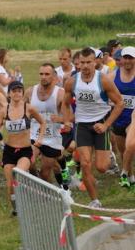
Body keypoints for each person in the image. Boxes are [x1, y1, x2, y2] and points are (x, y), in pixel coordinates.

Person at [61, 47, 124, 208]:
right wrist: (68, 121)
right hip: (82, 125)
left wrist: (106, 125)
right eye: (82, 62)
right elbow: (65, 104)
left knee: (102, 167)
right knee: (85, 162)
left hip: (100, 123)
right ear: (78, 64)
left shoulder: (103, 80)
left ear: (95, 62)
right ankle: (95, 200)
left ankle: (106, 152)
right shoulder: (72, 81)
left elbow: (120, 103)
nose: (86, 66)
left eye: (89, 62)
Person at [0, 81, 46, 216]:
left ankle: (29, 184)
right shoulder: (3, 111)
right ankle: (16, 208)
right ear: (9, 93)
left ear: (22, 93)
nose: (17, 93)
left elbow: (43, 122)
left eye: (19, 91)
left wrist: (40, 138)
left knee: (17, 173)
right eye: (14, 91)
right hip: (9, 151)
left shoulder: (29, 108)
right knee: (10, 184)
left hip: (25, 150)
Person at [24, 64, 68, 189]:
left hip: (53, 137)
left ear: (54, 76)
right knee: (29, 162)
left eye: (47, 74)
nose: (43, 77)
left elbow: (72, 117)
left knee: (46, 171)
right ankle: (37, 182)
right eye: (41, 74)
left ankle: (60, 182)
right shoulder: (30, 92)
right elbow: (21, 111)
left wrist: (60, 119)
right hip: (34, 134)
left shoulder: (60, 93)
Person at [109, 46, 135, 187]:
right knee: (123, 150)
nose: (127, 61)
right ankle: (130, 176)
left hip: (133, 117)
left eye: (130, 58)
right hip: (118, 118)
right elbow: (103, 92)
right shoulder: (113, 76)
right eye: (125, 57)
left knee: (130, 145)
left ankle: (124, 172)